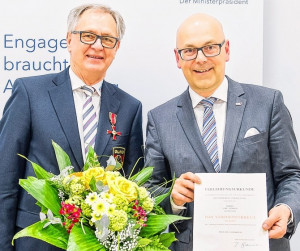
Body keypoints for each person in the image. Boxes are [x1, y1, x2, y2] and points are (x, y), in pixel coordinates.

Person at [145, 13, 300, 251]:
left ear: (226, 50)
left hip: (262, 243)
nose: (200, 58)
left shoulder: (268, 103)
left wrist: (286, 209)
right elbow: (150, 189)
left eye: (210, 47)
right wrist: (173, 198)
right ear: (177, 58)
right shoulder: (160, 119)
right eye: (189, 50)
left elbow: (292, 175)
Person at [0, 4, 144, 251]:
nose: (98, 46)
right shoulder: (30, 93)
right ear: (69, 40)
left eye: (108, 39)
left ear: (116, 47)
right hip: (37, 241)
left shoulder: (130, 107)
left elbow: (133, 188)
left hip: (101, 243)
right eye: (88, 36)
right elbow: (5, 179)